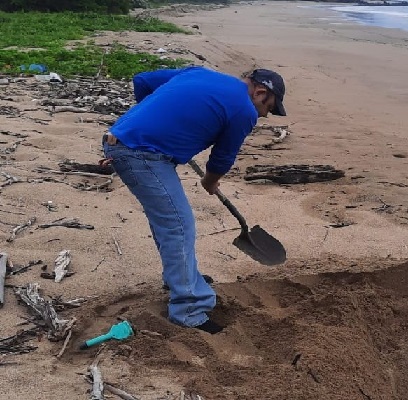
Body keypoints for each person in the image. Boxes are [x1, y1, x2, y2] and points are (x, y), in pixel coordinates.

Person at [100, 66, 287, 333]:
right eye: (268, 108)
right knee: (178, 224)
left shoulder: (200, 74)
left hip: (127, 144)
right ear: (260, 92)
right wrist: (210, 182)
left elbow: (142, 81)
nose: (264, 115)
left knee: (170, 221)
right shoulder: (244, 109)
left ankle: (180, 279)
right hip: (140, 154)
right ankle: (189, 310)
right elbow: (222, 158)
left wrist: (157, 121)